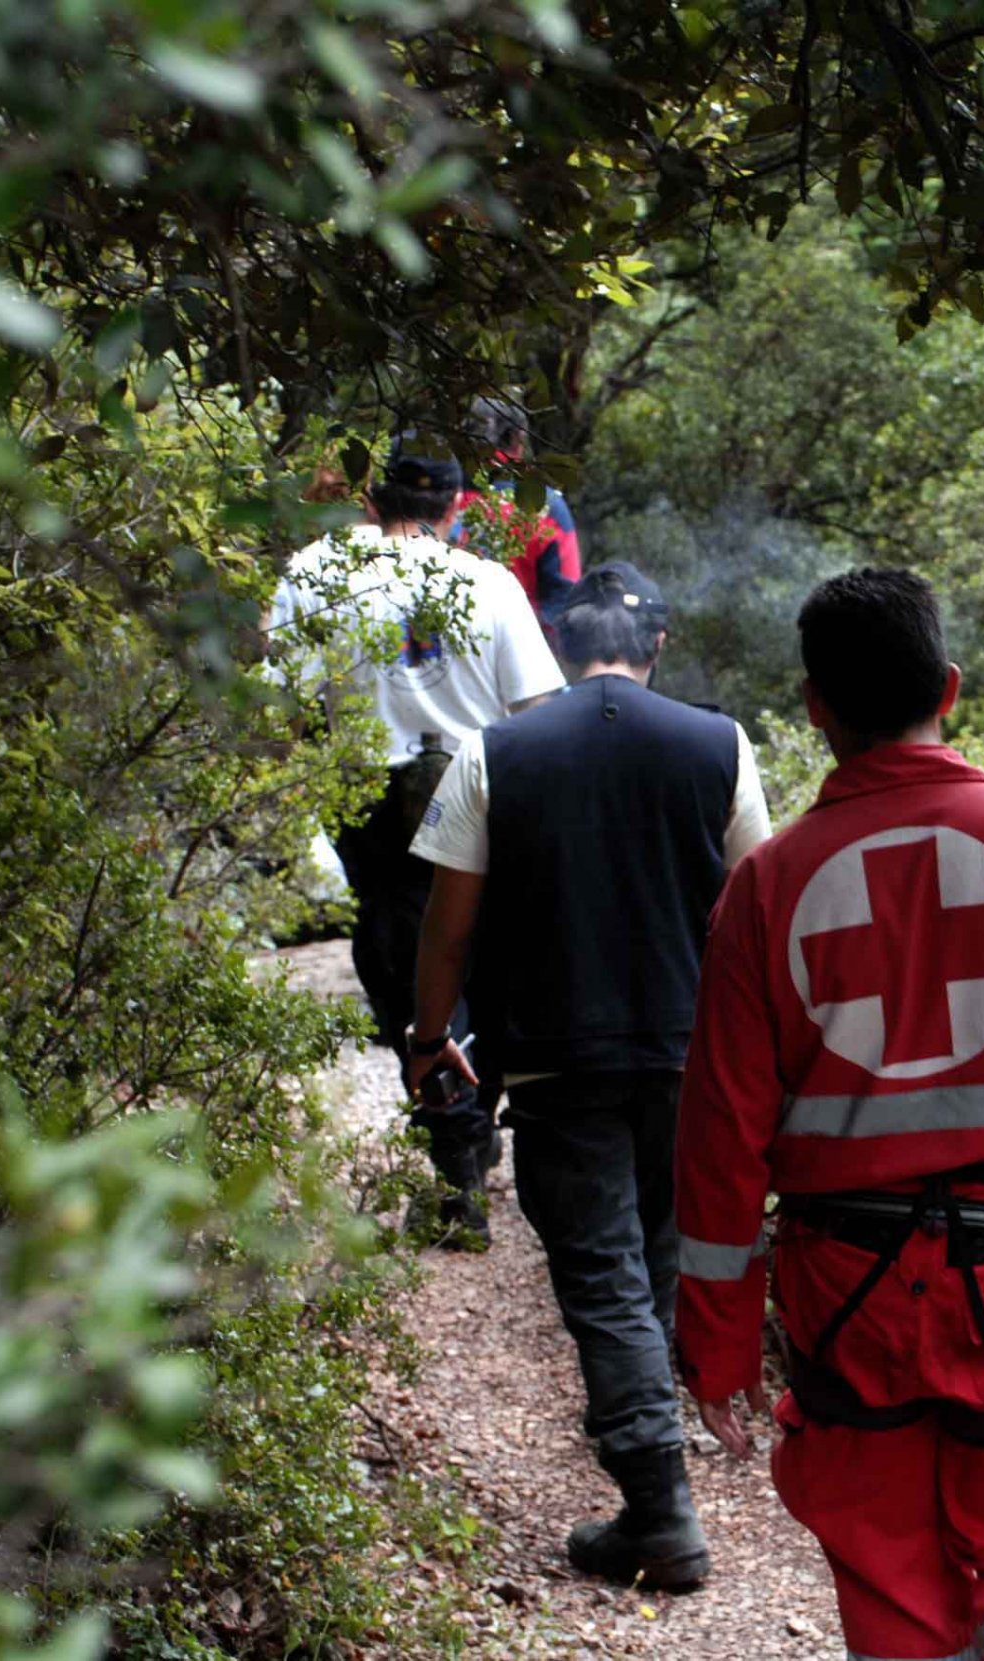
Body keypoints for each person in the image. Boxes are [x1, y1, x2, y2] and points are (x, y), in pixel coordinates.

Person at [672, 568, 984, 1661]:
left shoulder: (766, 887)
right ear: (948, 687)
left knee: (891, 1566)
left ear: (816, 706)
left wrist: (717, 1341)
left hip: (842, 1291)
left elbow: (718, 1141)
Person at [405, 560, 772, 1590]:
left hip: (556, 1053)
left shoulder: (497, 749)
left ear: (562, 650)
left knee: (604, 1274)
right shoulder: (719, 743)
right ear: (657, 646)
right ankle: (649, 1448)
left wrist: (432, 1034)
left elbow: (449, 921)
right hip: (689, 1051)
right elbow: (756, 902)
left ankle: (658, 1507)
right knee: (651, 1255)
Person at [269, 451, 565, 1245]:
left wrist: (304, 802)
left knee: (405, 968)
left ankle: (454, 1158)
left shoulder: (313, 570)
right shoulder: (490, 582)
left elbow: (287, 710)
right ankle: (466, 1139)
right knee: (481, 958)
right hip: (477, 787)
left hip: (369, 794)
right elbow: (538, 710)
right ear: (456, 505)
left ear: (371, 500)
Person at [455, 395, 583, 653]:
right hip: (524, 658)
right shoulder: (545, 508)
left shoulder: (442, 498)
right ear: (516, 438)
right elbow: (565, 602)